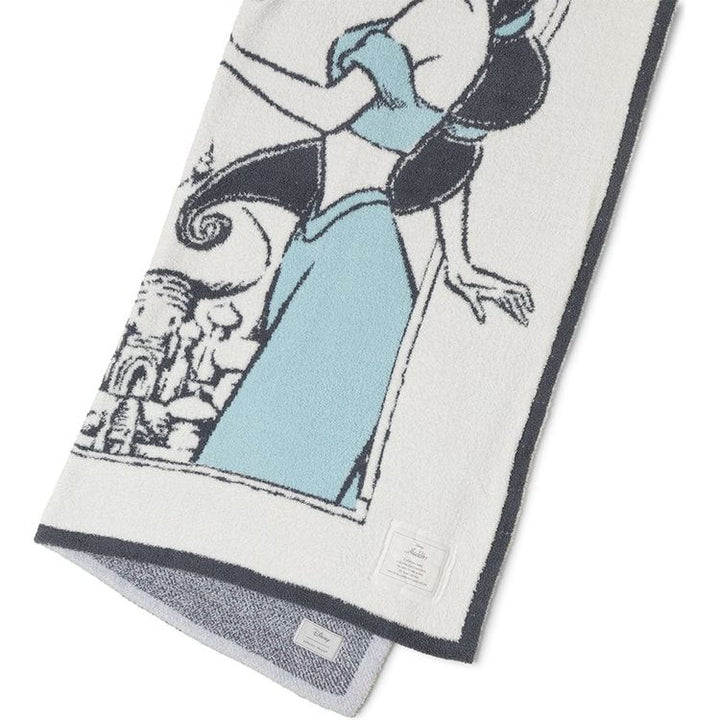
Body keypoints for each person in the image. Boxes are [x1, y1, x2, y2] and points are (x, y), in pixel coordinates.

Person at [180, 0, 555, 509]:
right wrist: (459, 263)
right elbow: (450, 139)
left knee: (259, 473)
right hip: (326, 236)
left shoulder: (452, 15)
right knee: (283, 470)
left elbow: (328, 111)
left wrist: (230, 57)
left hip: (357, 265)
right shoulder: (463, 21)